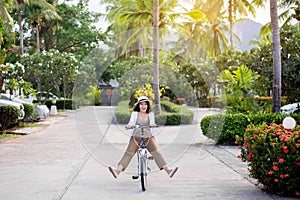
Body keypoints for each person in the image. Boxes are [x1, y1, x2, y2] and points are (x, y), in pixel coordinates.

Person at [108, 96, 178, 178]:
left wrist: (153, 125)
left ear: (148, 106)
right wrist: (129, 126)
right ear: (138, 105)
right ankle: (117, 171)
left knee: (156, 153)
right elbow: (131, 123)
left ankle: (168, 171)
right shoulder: (135, 114)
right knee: (128, 153)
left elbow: (152, 123)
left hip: (148, 137)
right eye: (141, 104)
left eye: (145, 104)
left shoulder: (150, 115)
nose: (143, 106)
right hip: (136, 137)